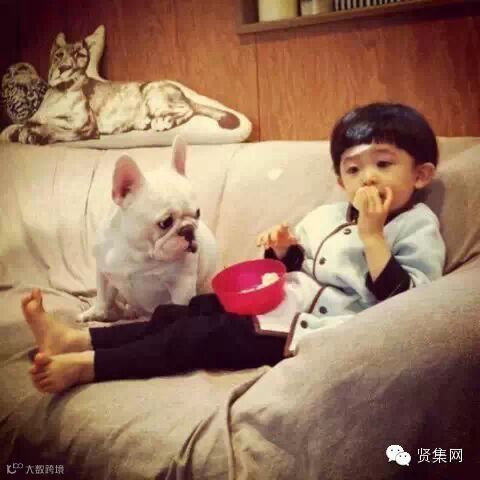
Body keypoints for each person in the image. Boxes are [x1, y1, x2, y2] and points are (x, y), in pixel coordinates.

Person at [22, 102, 446, 394]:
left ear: (421, 174)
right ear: (340, 180)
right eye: (353, 169)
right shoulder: (329, 214)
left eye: (383, 163)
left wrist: (373, 235)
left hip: (305, 330)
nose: (367, 178)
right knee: (181, 313)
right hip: (274, 303)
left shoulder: (415, 225)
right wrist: (282, 250)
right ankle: (77, 339)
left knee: (196, 336)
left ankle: (89, 367)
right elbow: (297, 267)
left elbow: (410, 303)